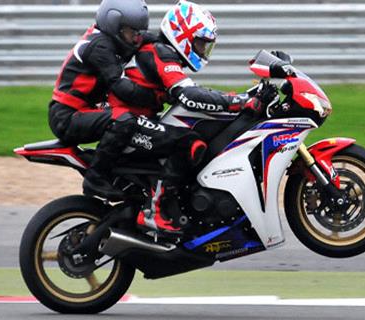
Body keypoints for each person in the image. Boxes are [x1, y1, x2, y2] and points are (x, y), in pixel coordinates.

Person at [107, 0, 279, 234]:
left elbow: (194, 91)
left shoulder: (162, 53)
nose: (201, 49)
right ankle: (154, 211)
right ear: (181, 35)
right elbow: (187, 94)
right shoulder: (160, 53)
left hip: (133, 122)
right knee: (188, 145)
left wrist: (240, 98)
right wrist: (240, 102)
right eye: (199, 42)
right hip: (126, 125)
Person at [48, 0, 162, 200]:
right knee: (124, 119)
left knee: (145, 120)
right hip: (67, 116)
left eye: (137, 32)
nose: (135, 38)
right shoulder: (99, 47)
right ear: (114, 25)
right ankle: (96, 178)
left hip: (84, 110)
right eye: (131, 32)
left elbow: (146, 38)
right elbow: (121, 87)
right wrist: (159, 97)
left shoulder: (110, 39)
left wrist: (168, 42)